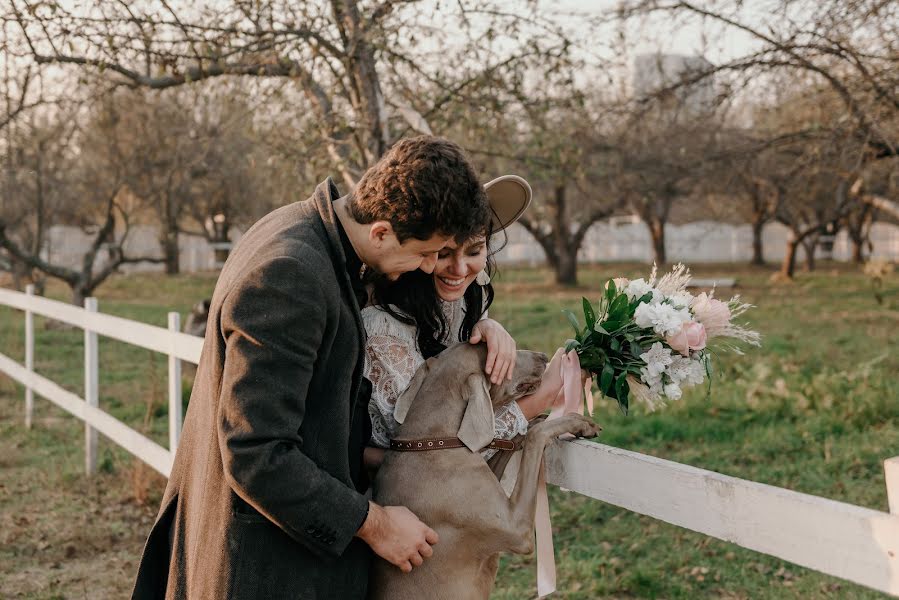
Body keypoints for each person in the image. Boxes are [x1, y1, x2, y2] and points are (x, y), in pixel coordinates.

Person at [131, 136, 495, 599]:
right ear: (381, 232)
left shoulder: (301, 228)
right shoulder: (291, 276)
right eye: (426, 253)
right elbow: (256, 454)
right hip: (263, 572)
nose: (428, 267)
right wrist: (375, 524)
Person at [362, 175, 567, 475]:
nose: (459, 270)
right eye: (444, 253)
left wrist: (489, 330)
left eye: (474, 251)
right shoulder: (382, 328)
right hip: (399, 503)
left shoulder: (468, 300)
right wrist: (537, 401)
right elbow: (434, 449)